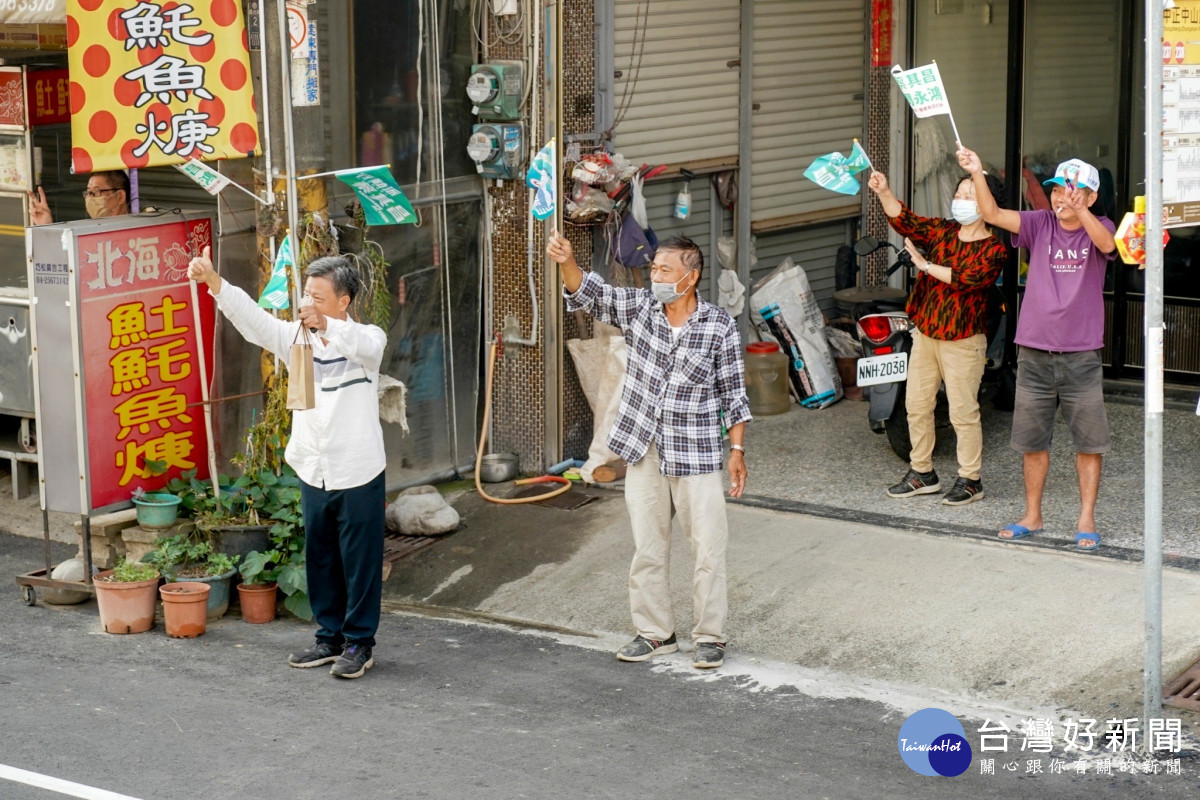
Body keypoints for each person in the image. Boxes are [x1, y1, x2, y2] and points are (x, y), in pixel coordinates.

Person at [546, 231, 751, 669]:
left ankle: (711, 636)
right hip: (644, 449)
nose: (655, 276)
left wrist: (736, 450)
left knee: (708, 550)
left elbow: (734, 393)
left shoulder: (718, 326)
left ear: (690, 277)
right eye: (654, 268)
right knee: (647, 548)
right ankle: (656, 633)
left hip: (695, 455)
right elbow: (590, 291)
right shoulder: (641, 310)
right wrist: (567, 260)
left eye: (665, 270)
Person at [188, 247, 389, 675]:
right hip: (312, 467)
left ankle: (360, 644)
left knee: (360, 562)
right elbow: (253, 321)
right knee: (320, 558)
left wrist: (328, 326)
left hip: (357, 469)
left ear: (343, 301)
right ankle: (328, 638)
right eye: (307, 297)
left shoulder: (367, 338)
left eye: (318, 298)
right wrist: (213, 281)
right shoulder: (293, 340)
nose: (308, 306)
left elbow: (364, 345)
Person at [957, 148, 1117, 552]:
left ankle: (1086, 518)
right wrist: (977, 172)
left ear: (1091, 197)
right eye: (1058, 190)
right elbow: (992, 214)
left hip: (1081, 355)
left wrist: (1081, 213)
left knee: (1089, 442)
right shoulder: (1038, 223)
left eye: (1074, 190)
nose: (1064, 198)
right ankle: (1033, 514)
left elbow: (1107, 245)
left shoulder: (1100, 225)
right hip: (1033, 353)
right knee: (1032, 441)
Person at [867, 170, 1008, 506]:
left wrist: (924, 265)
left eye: (970, 195)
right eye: (959, 193)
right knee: (916, 405)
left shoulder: (993, 249)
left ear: (989, 203)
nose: (961, 200)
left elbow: (967, 279)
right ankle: (922, 473)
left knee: (963, 412)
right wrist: (885, 191)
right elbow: (906, 222)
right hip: (926, 334)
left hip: (963, 341)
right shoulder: (943, 230)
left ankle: (971, 479)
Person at [28, 170, 131, 224]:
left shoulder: (138, 233)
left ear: (120, 197)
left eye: (96, 191)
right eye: (88, 192)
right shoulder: (87, 234)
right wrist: (46, 225)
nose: (90, 198)